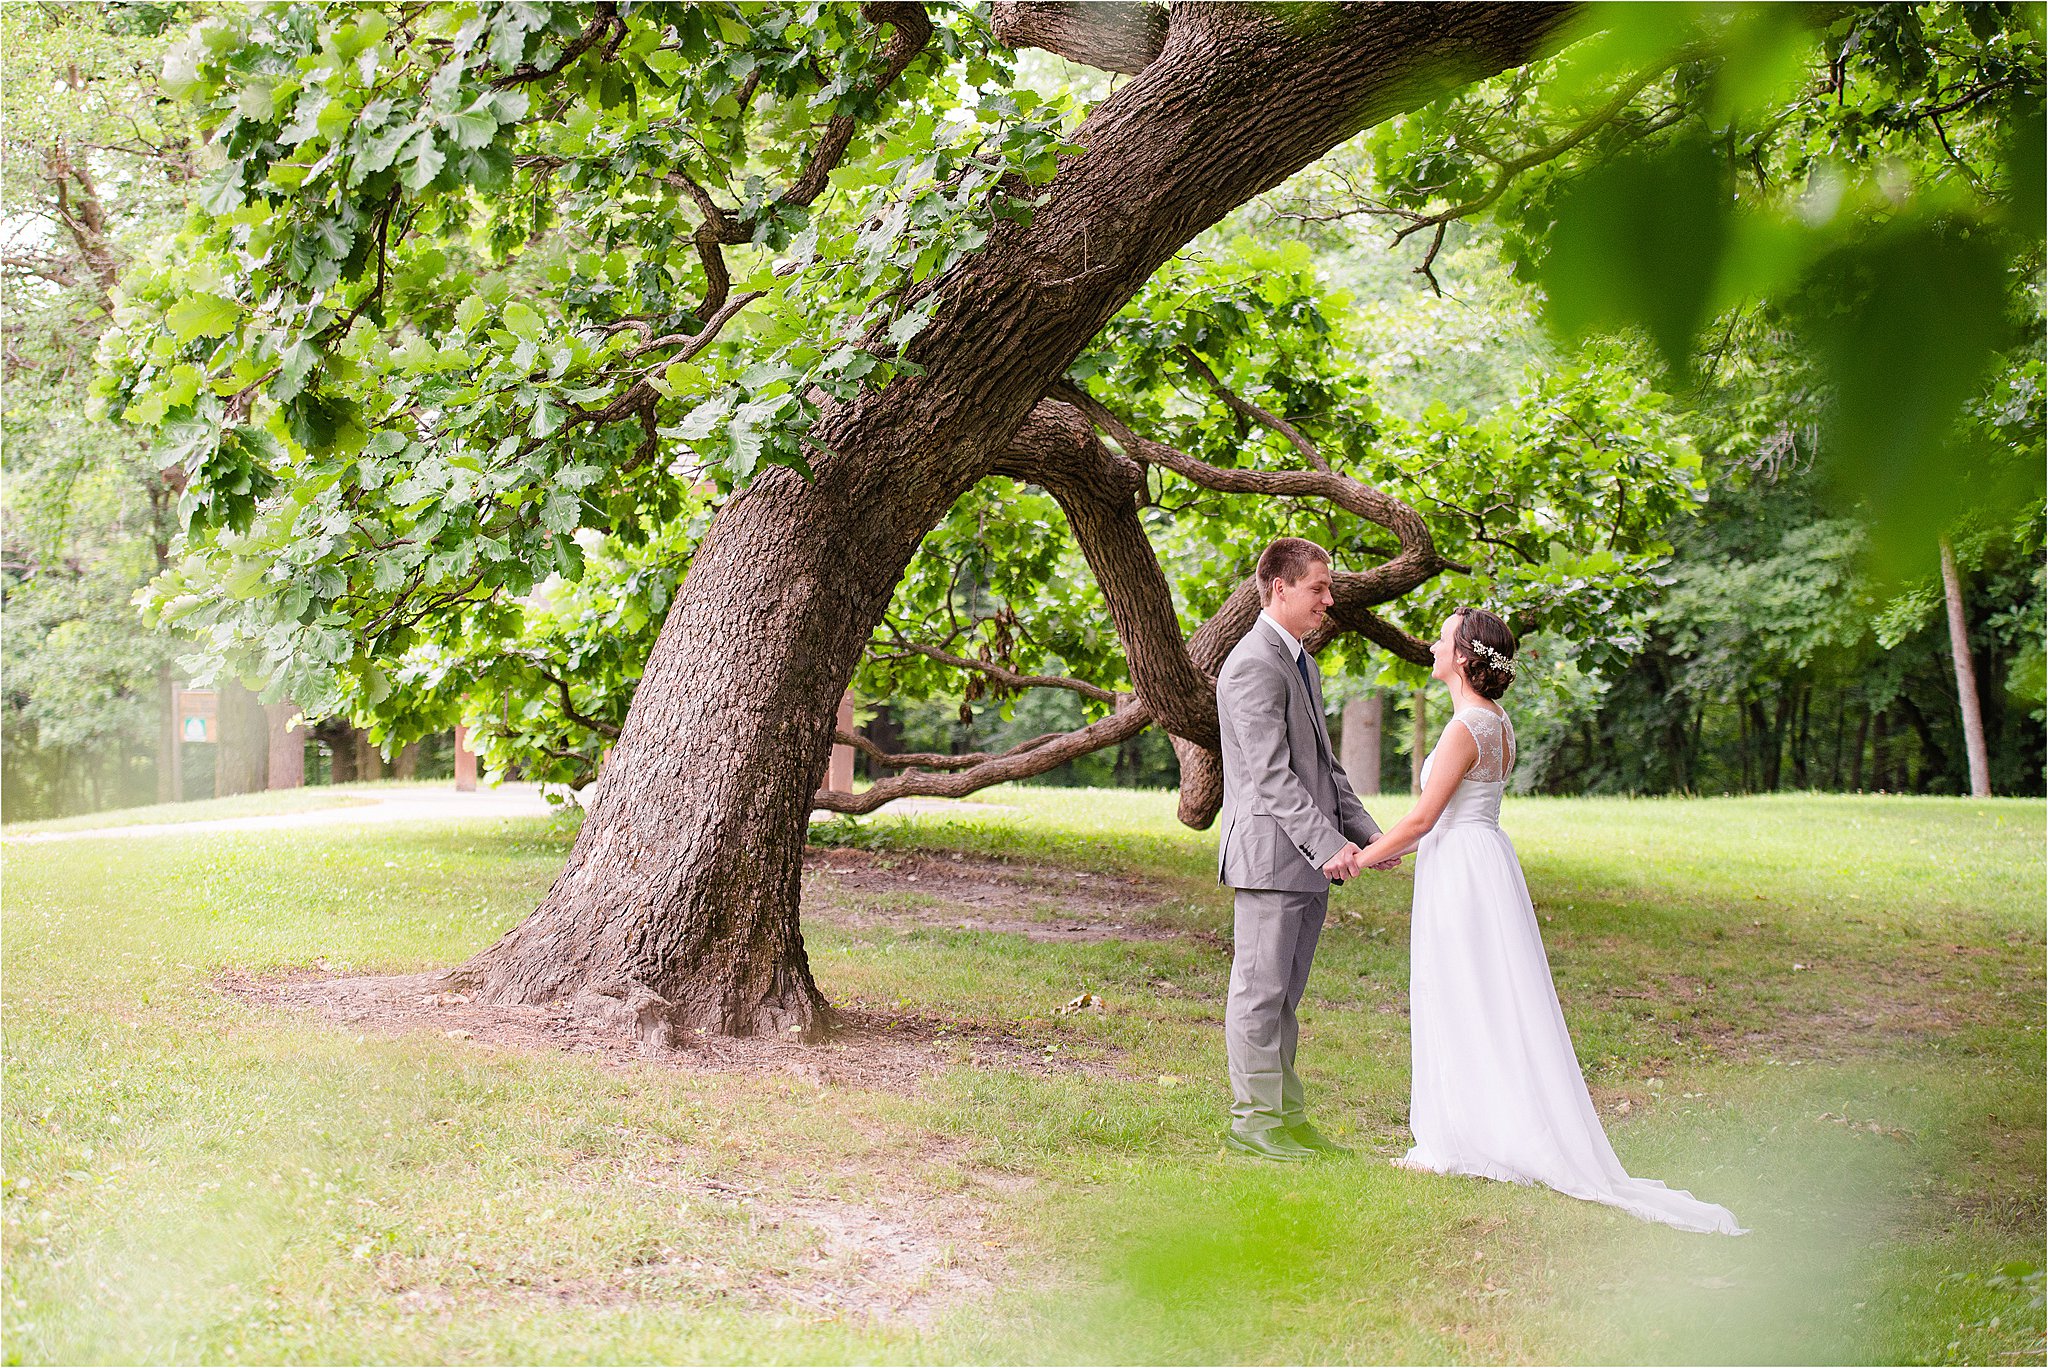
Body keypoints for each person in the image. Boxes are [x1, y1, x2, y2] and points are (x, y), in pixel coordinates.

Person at [1362, 607, 1746, 1233]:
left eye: (1442, 636)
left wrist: (1361, 857)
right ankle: (1473, 1126)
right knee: (1481, 994)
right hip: (1477, 860)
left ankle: (1471, 1137)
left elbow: (1423, 819)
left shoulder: (1467, 726)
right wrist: (1393, 850)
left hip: (1462, 866)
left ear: (1462, 657)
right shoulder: (1496, 722)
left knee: (1465, 992)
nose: (1431, 643)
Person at [1214, 537, 1383, 1163]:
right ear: (1279, 587)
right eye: (1318, 588)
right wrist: (1325, 844)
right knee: (1259, 993)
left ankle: (1285, 1118)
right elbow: (1270, 775)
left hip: (1305, 859)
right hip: (1269, 856)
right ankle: (1253, 1123)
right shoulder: (1253, 663)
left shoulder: (1301, 662)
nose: (1328, 600)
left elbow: (1325, 769)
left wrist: (1368, 836)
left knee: (1285, 997)